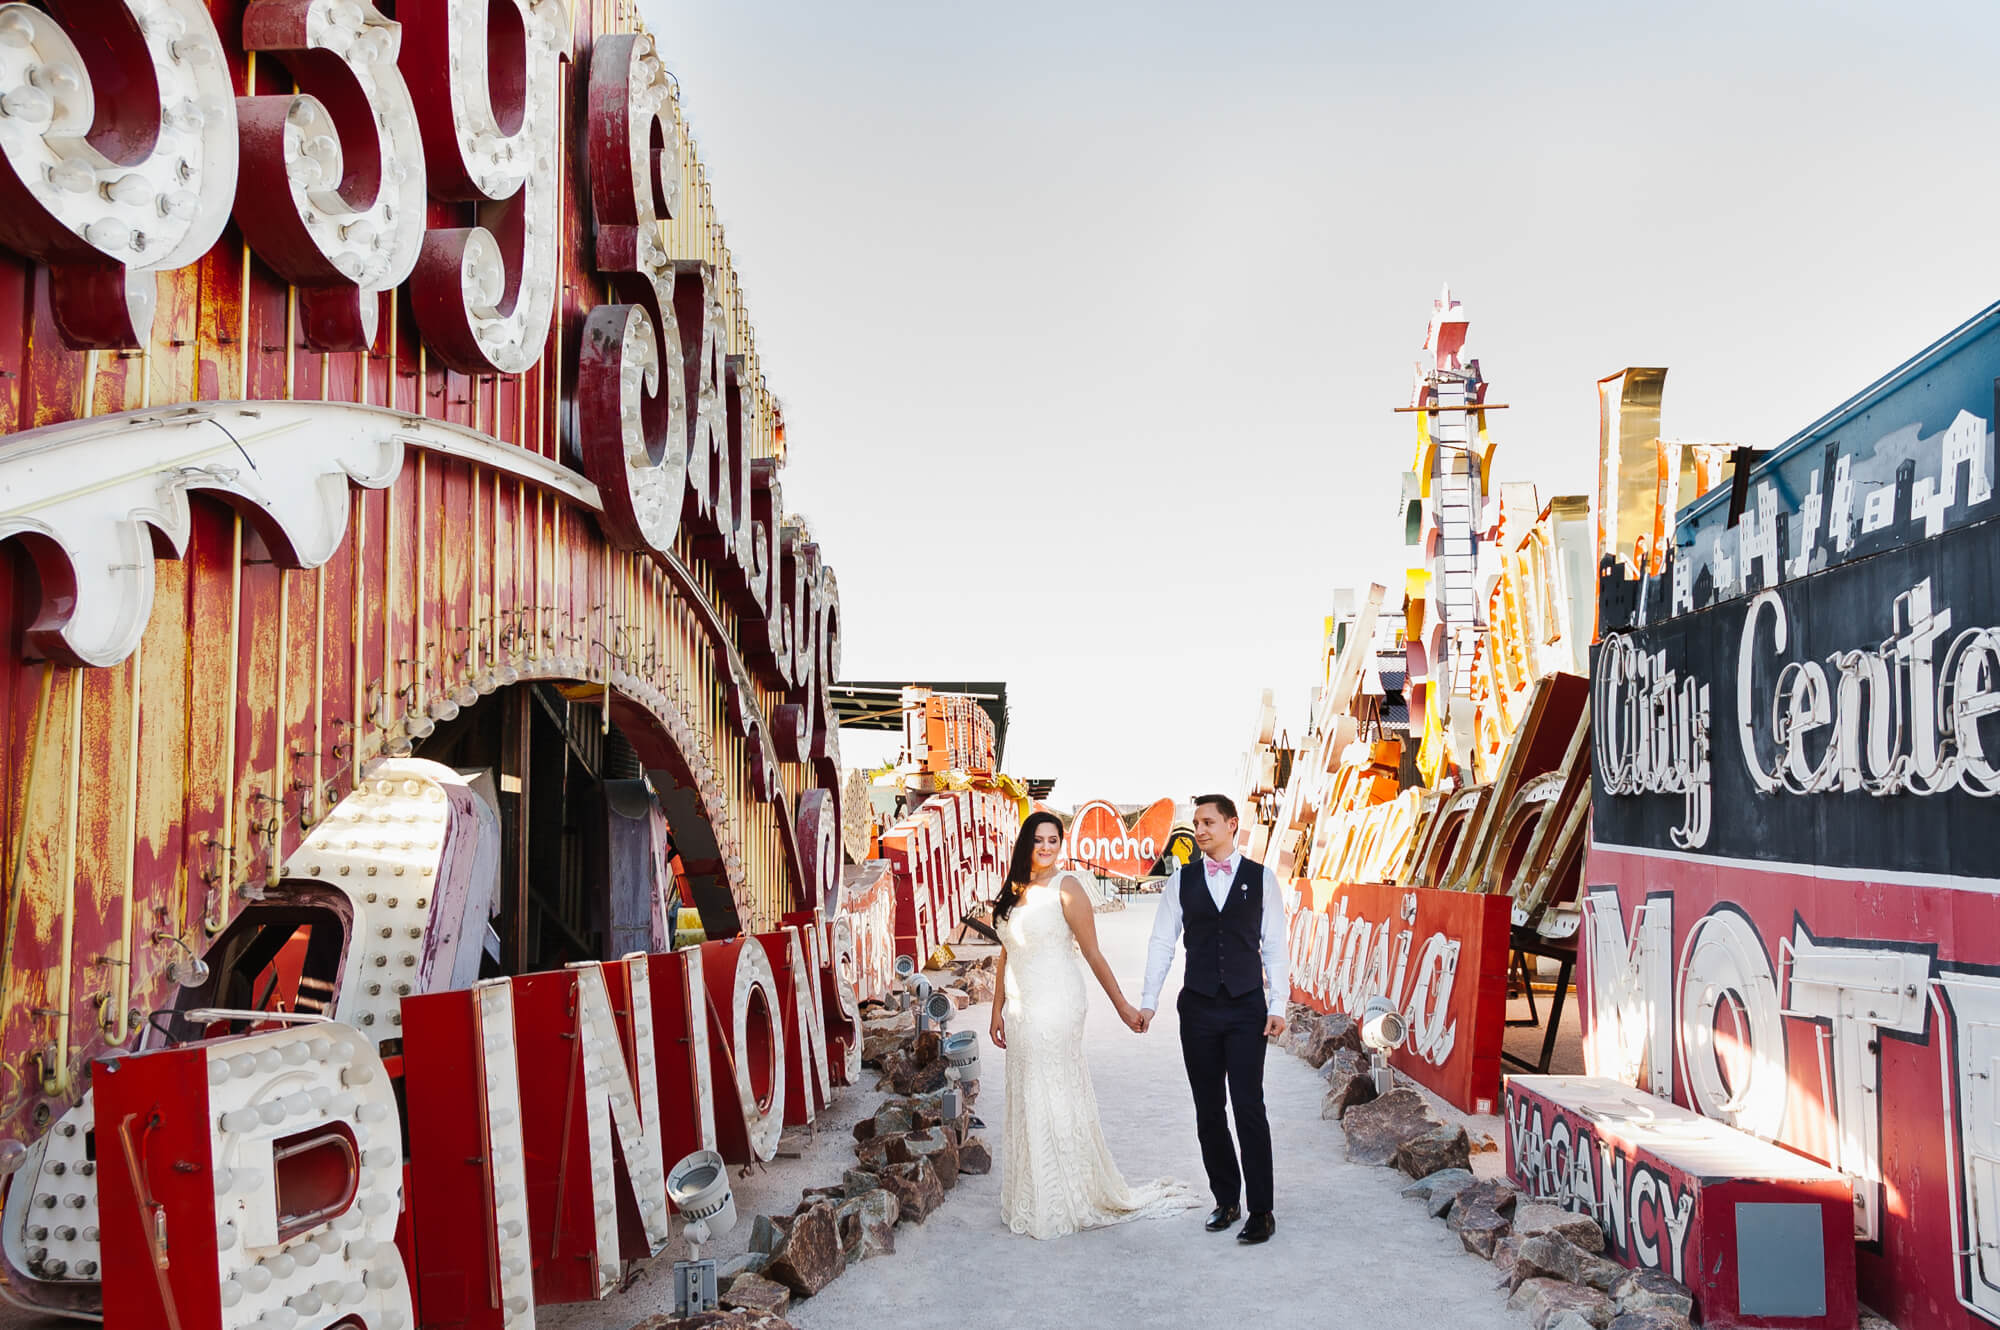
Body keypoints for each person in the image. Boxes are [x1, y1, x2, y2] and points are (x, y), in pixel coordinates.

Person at [991, 811, 1198, 1239]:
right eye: (1038, 840)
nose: (1046, 847)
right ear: (1025, 843)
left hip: (1058, 1003)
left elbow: (1093, 954)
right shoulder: (1014, 890)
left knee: (1052, 1089)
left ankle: (1065, 1194)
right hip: (1020, 1007)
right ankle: (1034, 1192)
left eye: (1053, 840)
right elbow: (1006, 952)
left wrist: (1123, 1006)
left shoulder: (1066, 889)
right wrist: (996, 1009)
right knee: (1028, 1090)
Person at [1136, 793, 1288, 1246]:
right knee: (1208, 1110)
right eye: (1196, 823)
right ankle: (1226, 1199)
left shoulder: (1262, 879)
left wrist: (1278, 1003)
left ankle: (1261, 1209)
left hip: (1246, 1007)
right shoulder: (1180, 881)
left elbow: (1275, 945)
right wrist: (1149, 1001)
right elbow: (1162, 943)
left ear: (1231, 825)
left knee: (1248, 1107)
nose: (1199, 830)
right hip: (1198, 1008)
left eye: (1207, 822)